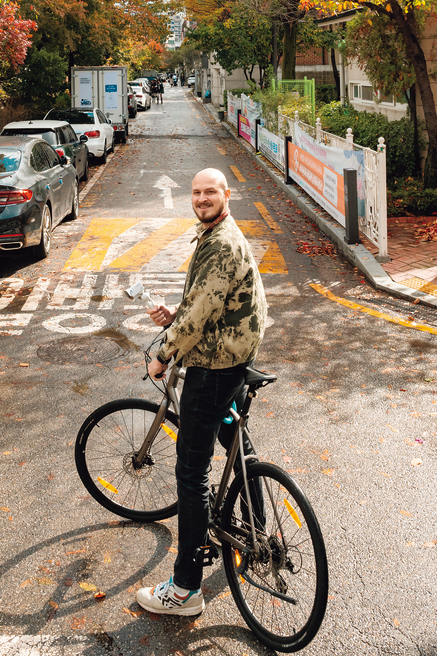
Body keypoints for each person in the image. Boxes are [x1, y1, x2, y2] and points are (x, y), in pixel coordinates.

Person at [135, 168, 267, 618]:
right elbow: (206, 303)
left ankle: (186, 589)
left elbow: (198, 318)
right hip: (235, 357)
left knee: (192, 475)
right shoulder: (217, 234)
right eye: (196, 192)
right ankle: (256, 531)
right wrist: (176, 313)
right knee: (237, 447)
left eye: (210, 191)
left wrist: (164, 354)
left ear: (227, 194)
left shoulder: (221, 243)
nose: (201, 198)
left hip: (213, 367)